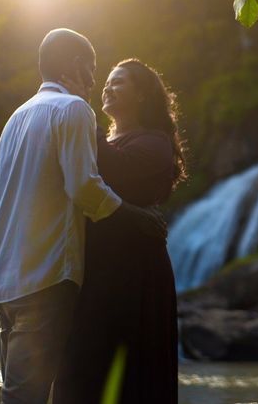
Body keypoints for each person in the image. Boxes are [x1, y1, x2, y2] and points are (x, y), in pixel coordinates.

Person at [0, 29, 167, 404]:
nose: (95, 80)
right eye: (94, 69)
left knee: (20, 391)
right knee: (26, 397)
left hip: (4, 277)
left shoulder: (16, 118)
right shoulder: (73, 109)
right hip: (46, 276)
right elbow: (85, 188)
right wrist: (136, 217)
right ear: (78, 65)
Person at [53, 59, 185, 404]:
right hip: (100, 268)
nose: (107, 88)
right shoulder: (107, 138)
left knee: (133, 374)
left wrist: (83, 111)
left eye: (119, 82)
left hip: (136, 273)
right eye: (107, 82)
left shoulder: (155, 142)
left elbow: (114, 169)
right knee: (82, 370)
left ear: (142, 94)